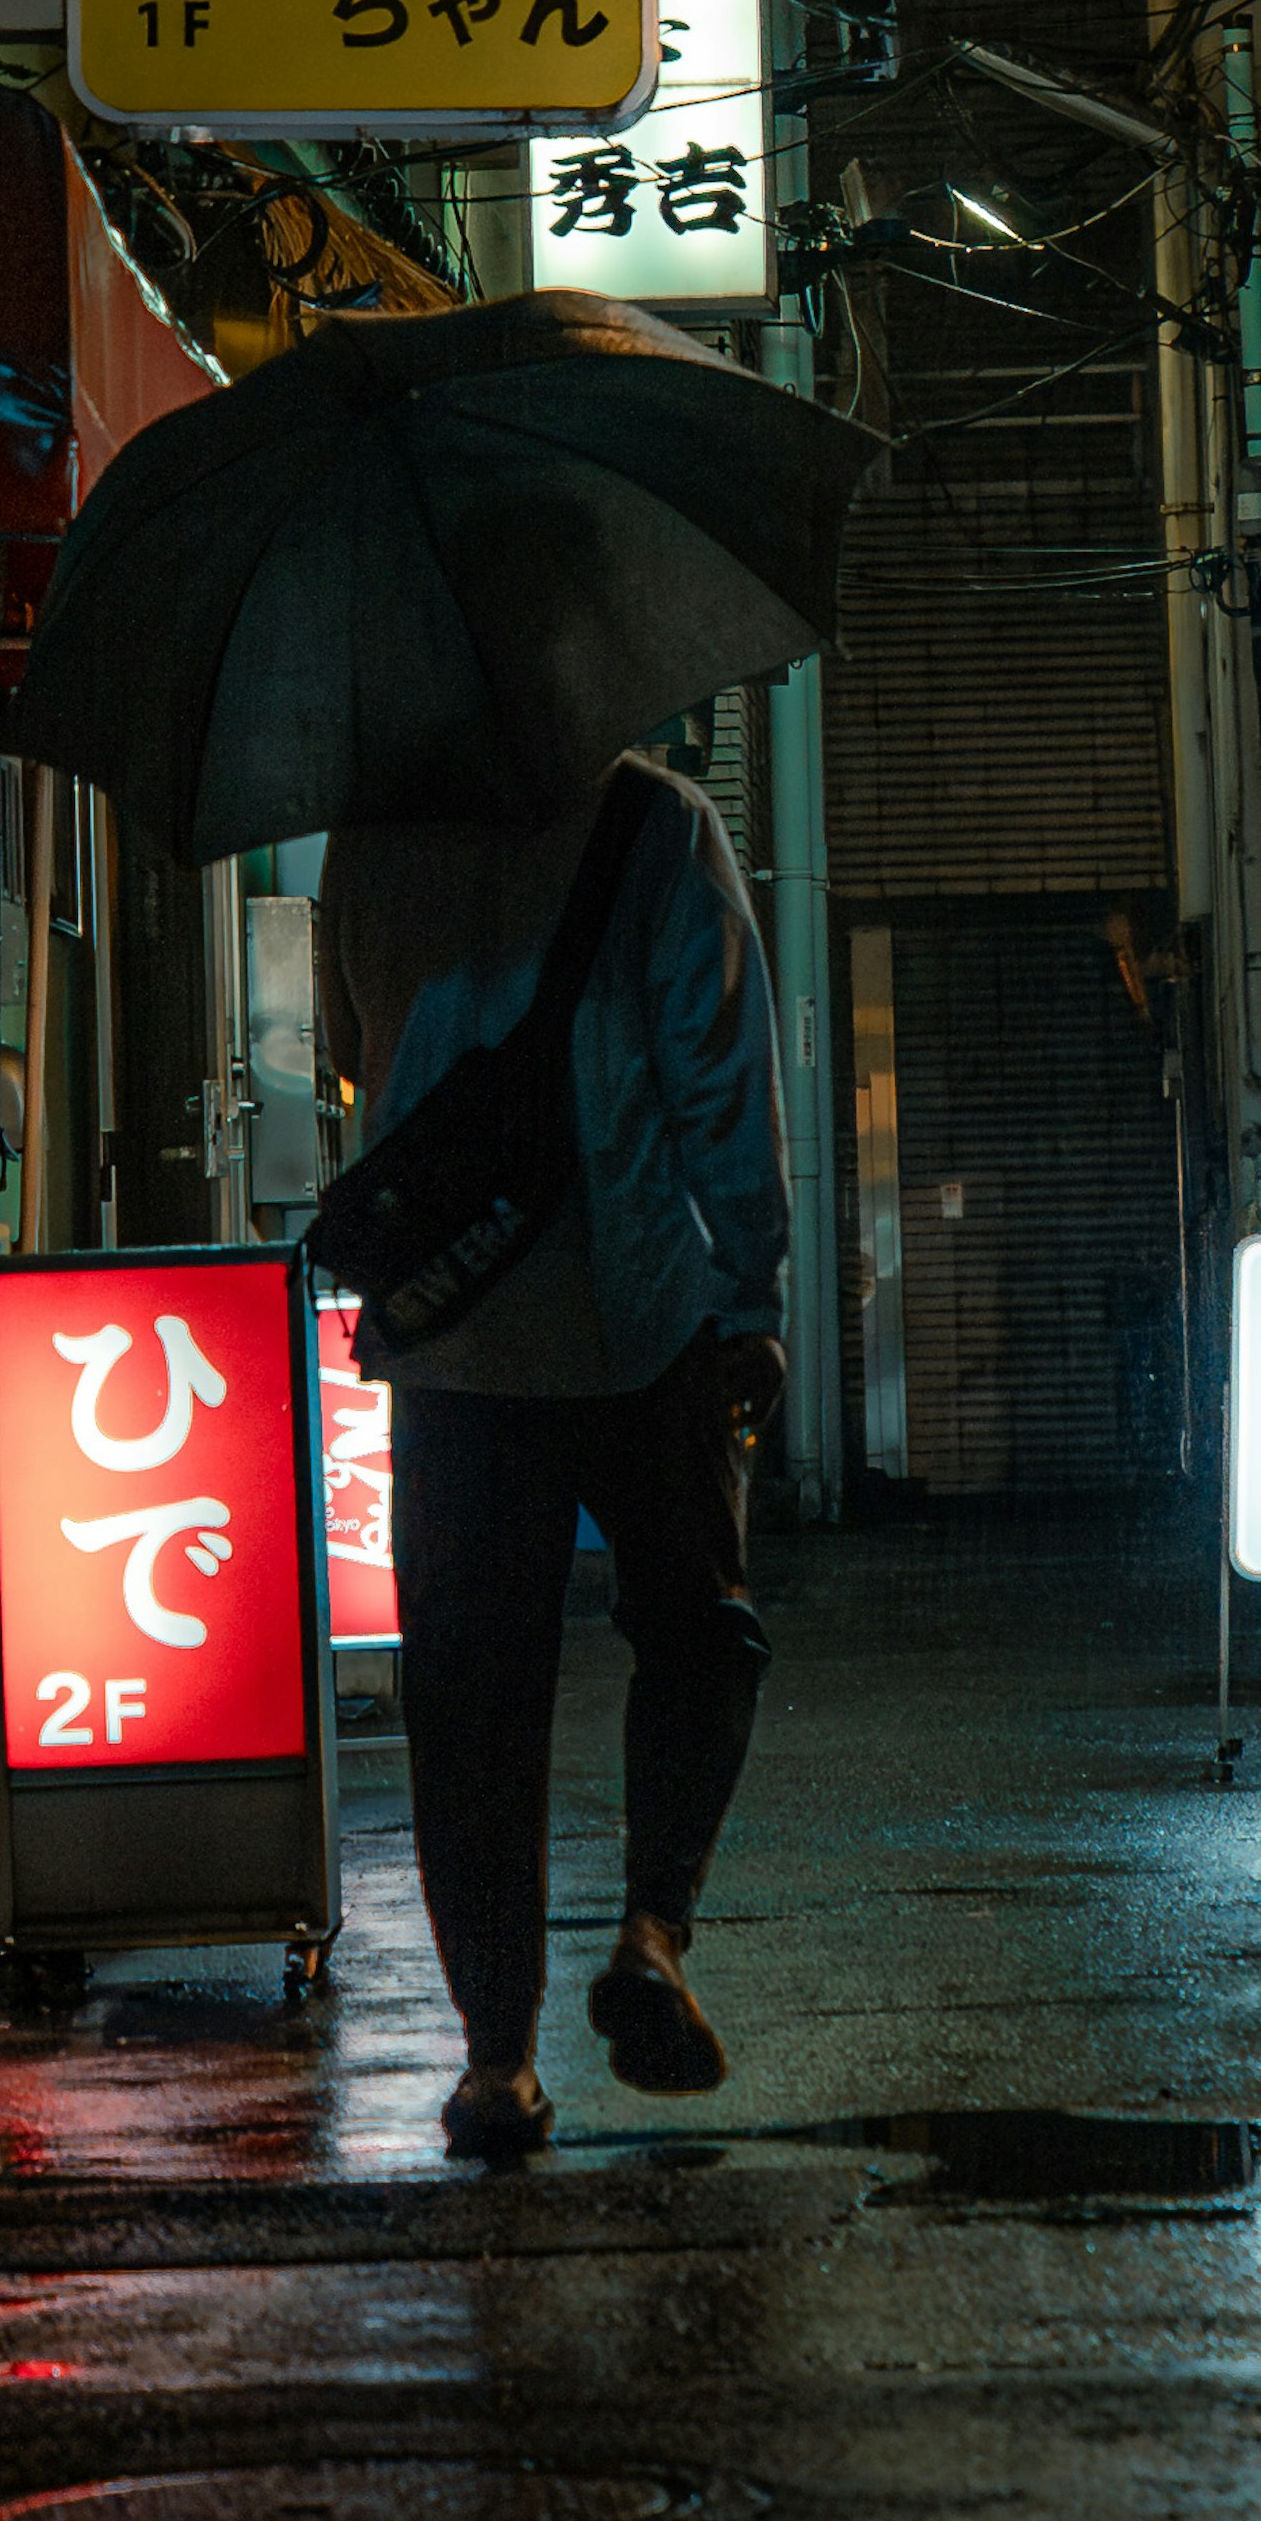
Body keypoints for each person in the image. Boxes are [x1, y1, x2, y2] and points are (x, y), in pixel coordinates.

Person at [316, 735, 790, 2158]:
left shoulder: (369, 835)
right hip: (634, 1318)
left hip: (452, 1338)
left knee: (468, 1701)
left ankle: (497, 2065)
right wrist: (751, 1292)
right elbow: (719, 1076)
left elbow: (353, 1051)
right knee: (700, 1630)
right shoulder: (660, 826)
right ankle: (651, 1924)